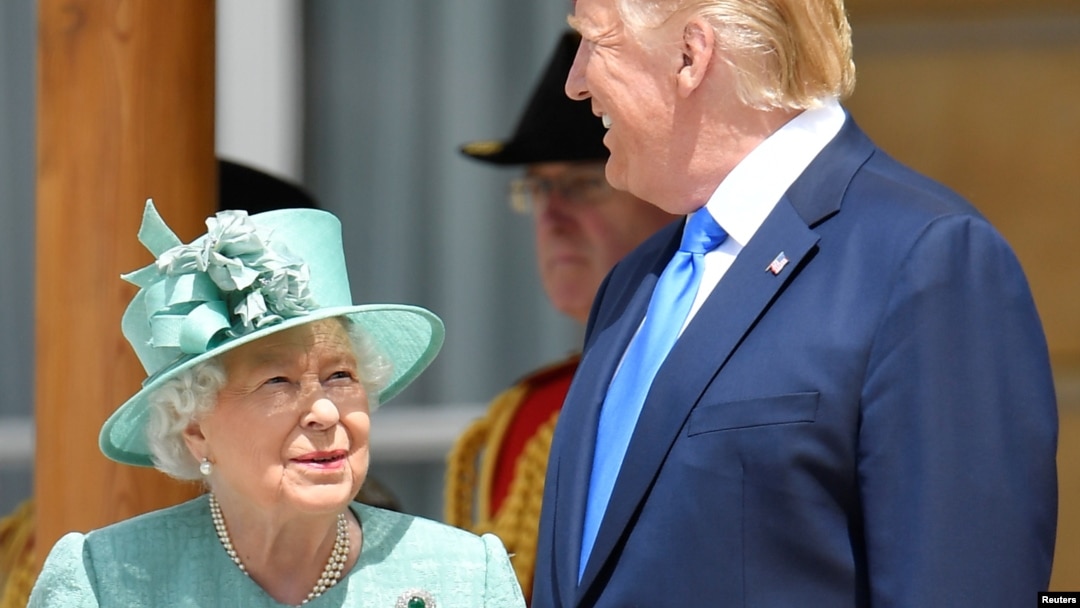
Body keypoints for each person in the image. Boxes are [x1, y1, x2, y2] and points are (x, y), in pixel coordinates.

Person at [532, 1, 1059, 606]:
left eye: (597, 41)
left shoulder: (926, 258)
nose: (576, 82)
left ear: (691, 54)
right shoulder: (635, 281)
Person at [28, 202, 525, 607]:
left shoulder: (464, 576)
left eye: (340, 376)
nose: (326, 413)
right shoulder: (105, 580)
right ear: (196, 428)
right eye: (278, 382)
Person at [443, 30, 674, 603]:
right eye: (538, 189)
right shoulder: (532, 416)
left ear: (671, 193)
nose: (553, 217)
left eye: (581, 185)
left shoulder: (721, 378)